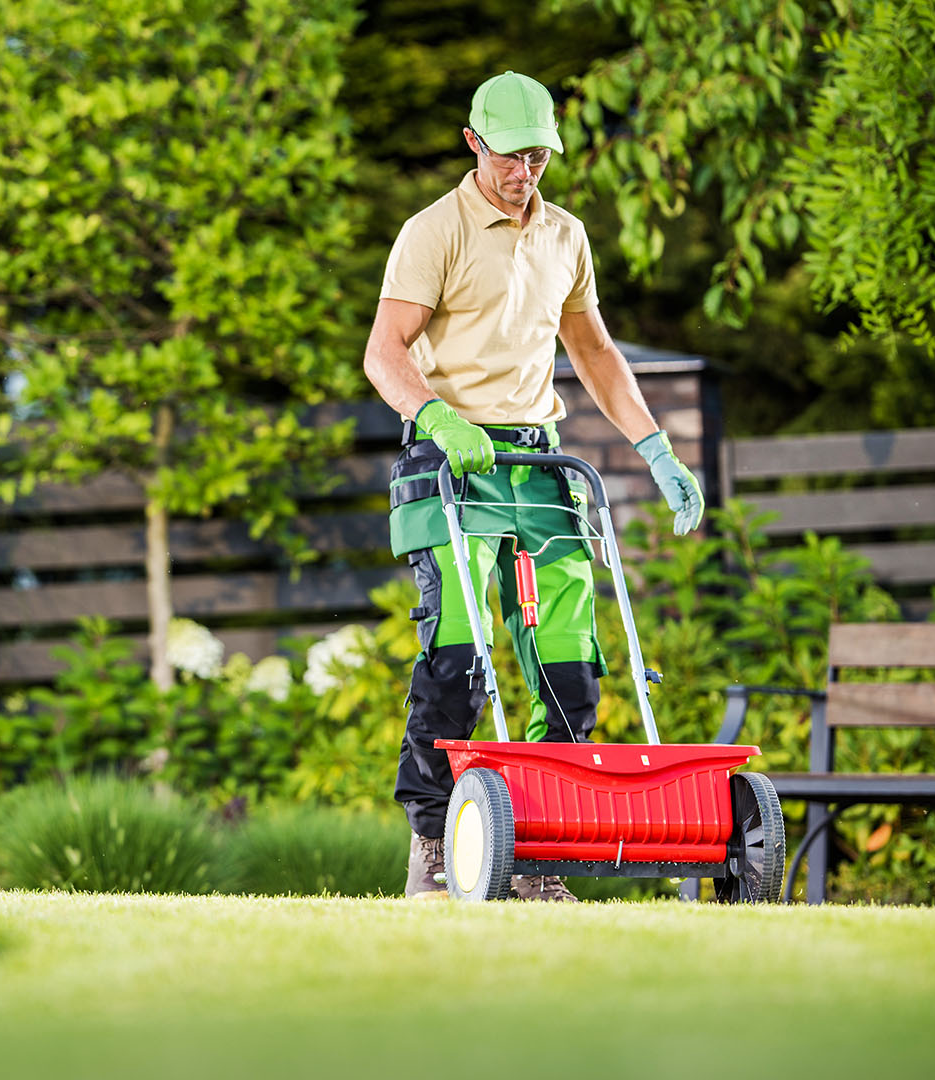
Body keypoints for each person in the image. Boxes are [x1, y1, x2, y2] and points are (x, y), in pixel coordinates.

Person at [362, 71, 704, 902]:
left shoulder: (565, 235)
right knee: (458, 647)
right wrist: (437, 418)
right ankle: (435, 842)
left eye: (540, 156)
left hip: (539, 464)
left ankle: (538, 850)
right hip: (452, 462)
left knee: (570, 660)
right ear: (474, 143)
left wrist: (656, 447)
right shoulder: (431, 231)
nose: (526, 172)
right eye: (512, 156)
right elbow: (384, 352)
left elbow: (593, 354)